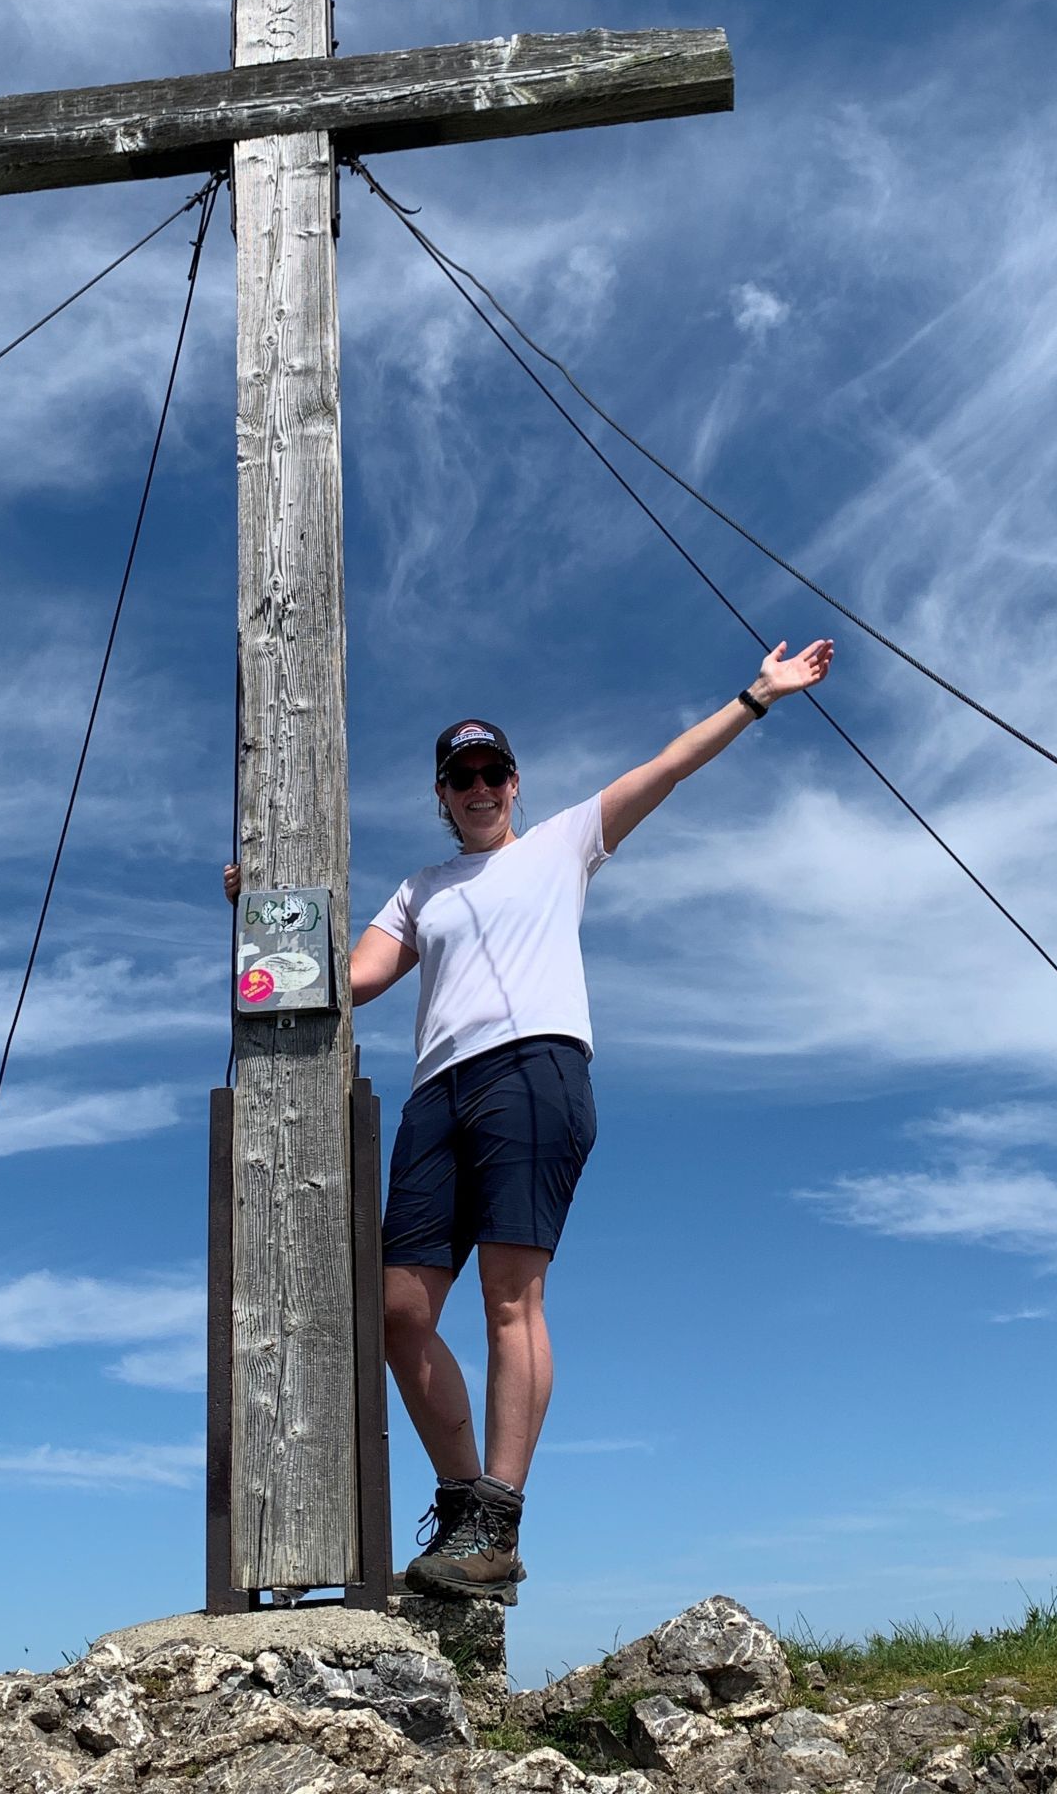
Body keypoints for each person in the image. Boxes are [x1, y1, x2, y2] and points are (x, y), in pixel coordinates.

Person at [224, 635, 833, 1603]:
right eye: (458, 775)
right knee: (395, 1310)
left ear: (514, 782)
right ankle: (463, 1504)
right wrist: (263, 919)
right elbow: (355, 978)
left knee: (512, 1299)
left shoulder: (561, 842)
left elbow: (666, 768)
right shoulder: (421, 888)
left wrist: (758, 696)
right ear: (441, 794)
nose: (477, 787)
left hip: (535, 1068)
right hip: (438, 1090)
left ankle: (498, 1522)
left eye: (490, 771)